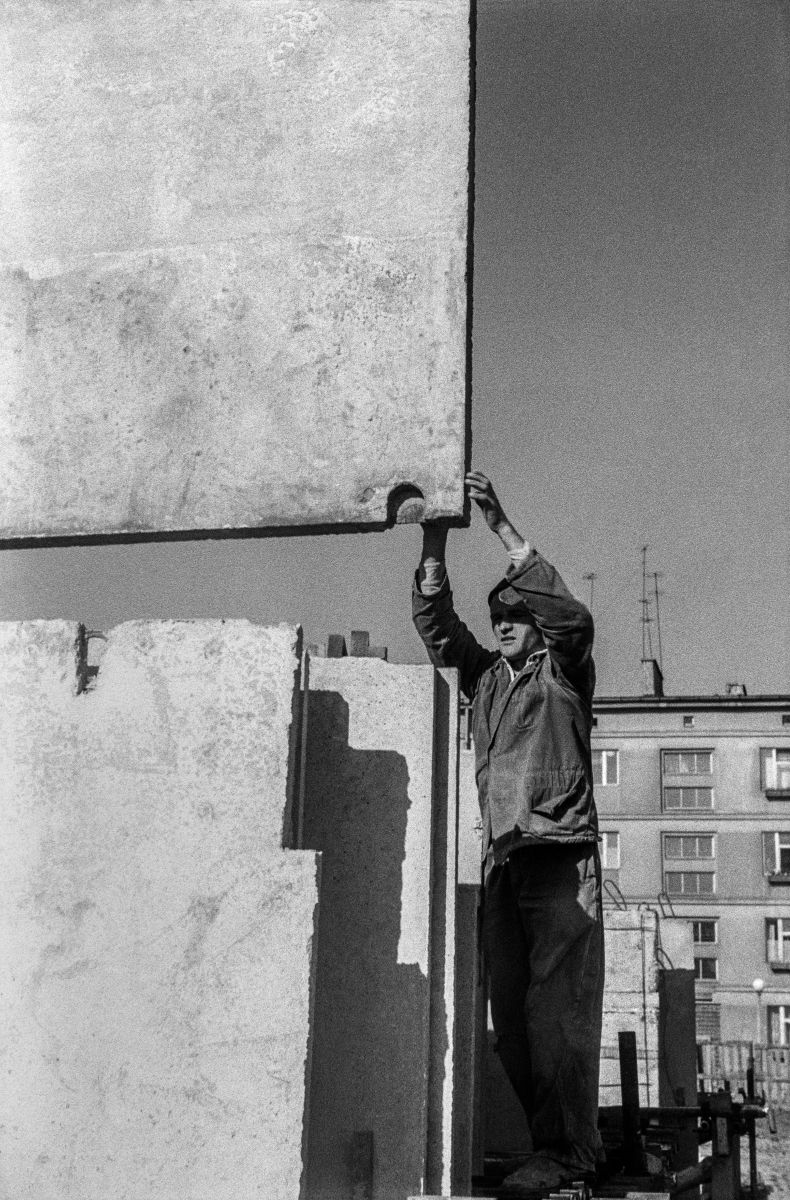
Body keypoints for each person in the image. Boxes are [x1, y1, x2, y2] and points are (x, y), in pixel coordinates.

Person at [412, 471, 604, 1194]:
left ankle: (569, 1152)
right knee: (514, 1020)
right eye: (498, 612)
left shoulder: (563, 672)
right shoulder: (489, 679)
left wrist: (500, 527)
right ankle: (550, 1144)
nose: (503, 621)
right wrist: (434, 538)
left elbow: (574, 620)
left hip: (558, 856)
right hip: (504, 860)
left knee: (556, 1016)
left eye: (517, 611)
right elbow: (438, 629)